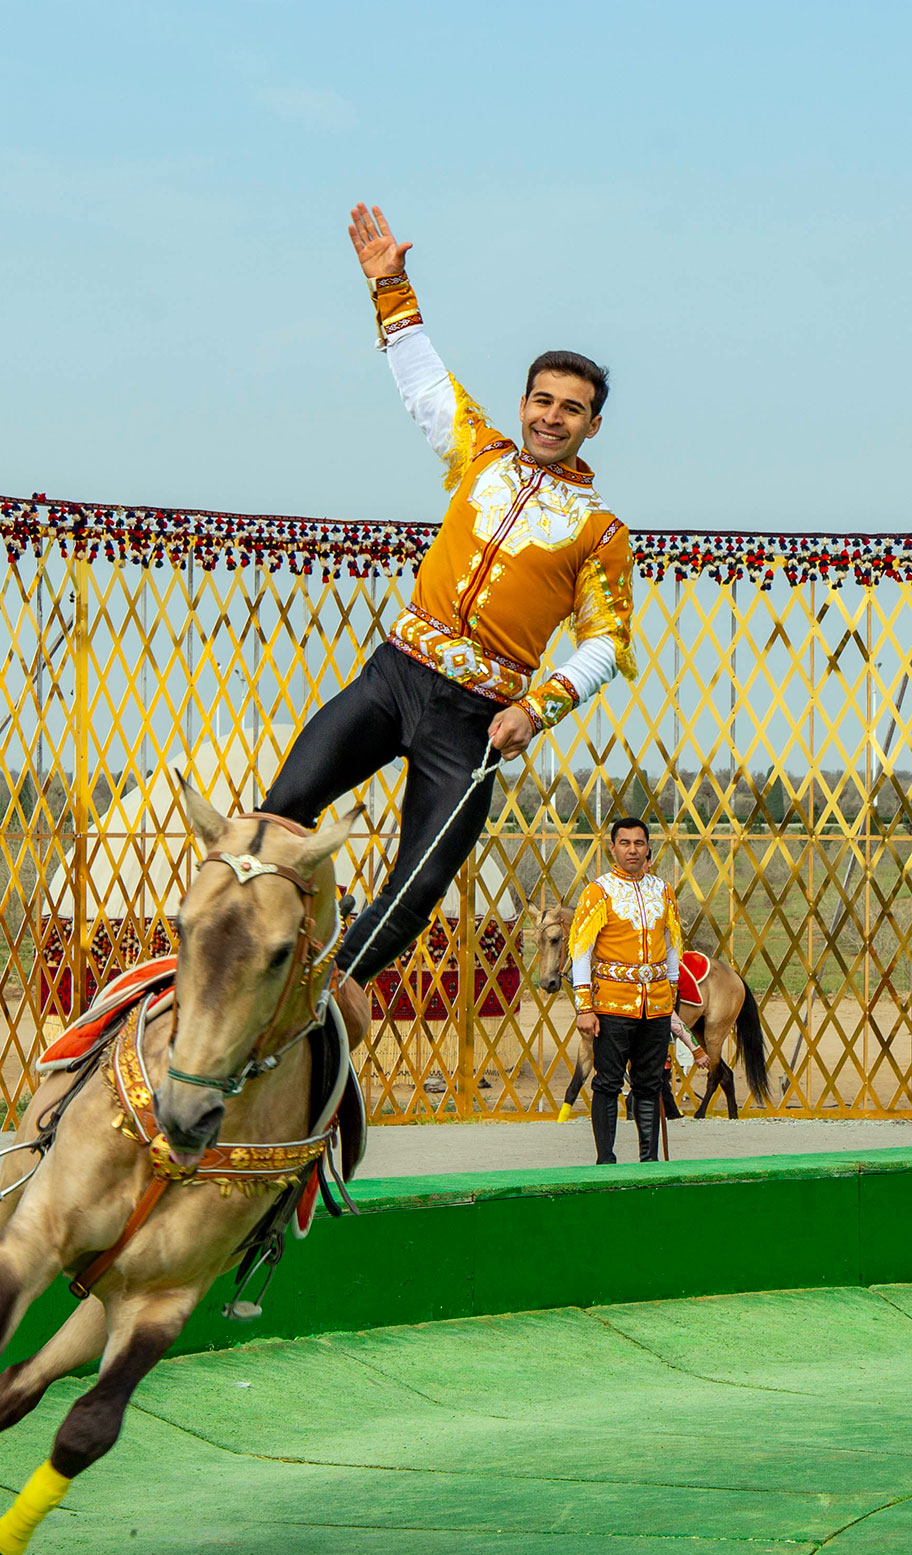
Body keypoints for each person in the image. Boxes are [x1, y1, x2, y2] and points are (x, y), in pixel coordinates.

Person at [260, 202, 635, 987]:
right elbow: (423, 379)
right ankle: (244, 964)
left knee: (423, 882)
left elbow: (606, 641)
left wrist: (538, 709)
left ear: (592, 426)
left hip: (474, 720)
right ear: (525, 402)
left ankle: (326, 1000)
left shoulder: (600, 530)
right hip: (392, 678)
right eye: (542, 400)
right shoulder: (481, 456)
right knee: (283, 805)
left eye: (572, 408)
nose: (551, 416)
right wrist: (391, 284)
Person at [568, 818, 681, 1163]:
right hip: (613, 1005)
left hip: (656, 1006)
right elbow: (581, 950)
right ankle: (606, 1161)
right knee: (608, 1082)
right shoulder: (598, 891)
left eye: (639, 843)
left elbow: (672, 944)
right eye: (625, 843)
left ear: (648, 848)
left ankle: (648, 1161)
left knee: (650, 1084)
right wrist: (584, 1007)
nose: (632, 849)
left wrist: (671, 996)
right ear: (612, 847)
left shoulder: (663, 890)